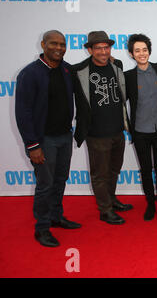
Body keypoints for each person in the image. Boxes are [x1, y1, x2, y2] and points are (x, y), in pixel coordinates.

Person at [15, 30, 81, 247]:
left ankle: (56, 216)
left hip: (64, 136)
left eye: (62, 44)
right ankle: (42, 228)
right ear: (43, 44)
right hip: (43, 141)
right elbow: (23, 112)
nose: (59, 48)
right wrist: (32, 145)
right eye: (54, 43)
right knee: (45, 184)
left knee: (60, 180)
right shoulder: (30, 74)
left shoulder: (66, 69)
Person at [73, 31, 133, 225]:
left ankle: (111, 199)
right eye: (98, 48)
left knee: (114, 170)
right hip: (96, 134)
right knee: (100, 174)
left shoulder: (117, 66)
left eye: (106, 47)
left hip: (118, 130)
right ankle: (105, 210)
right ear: (89, 50)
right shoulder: (78, 71)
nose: (103, 51)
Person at [124, 34, 157, 221]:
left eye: (144, 50)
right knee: (145, 169)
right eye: (137, 50)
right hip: (140, 130)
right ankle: (150, 204)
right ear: (131, 54)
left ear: (149, 51)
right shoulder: (127, 77)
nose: (141, 53)